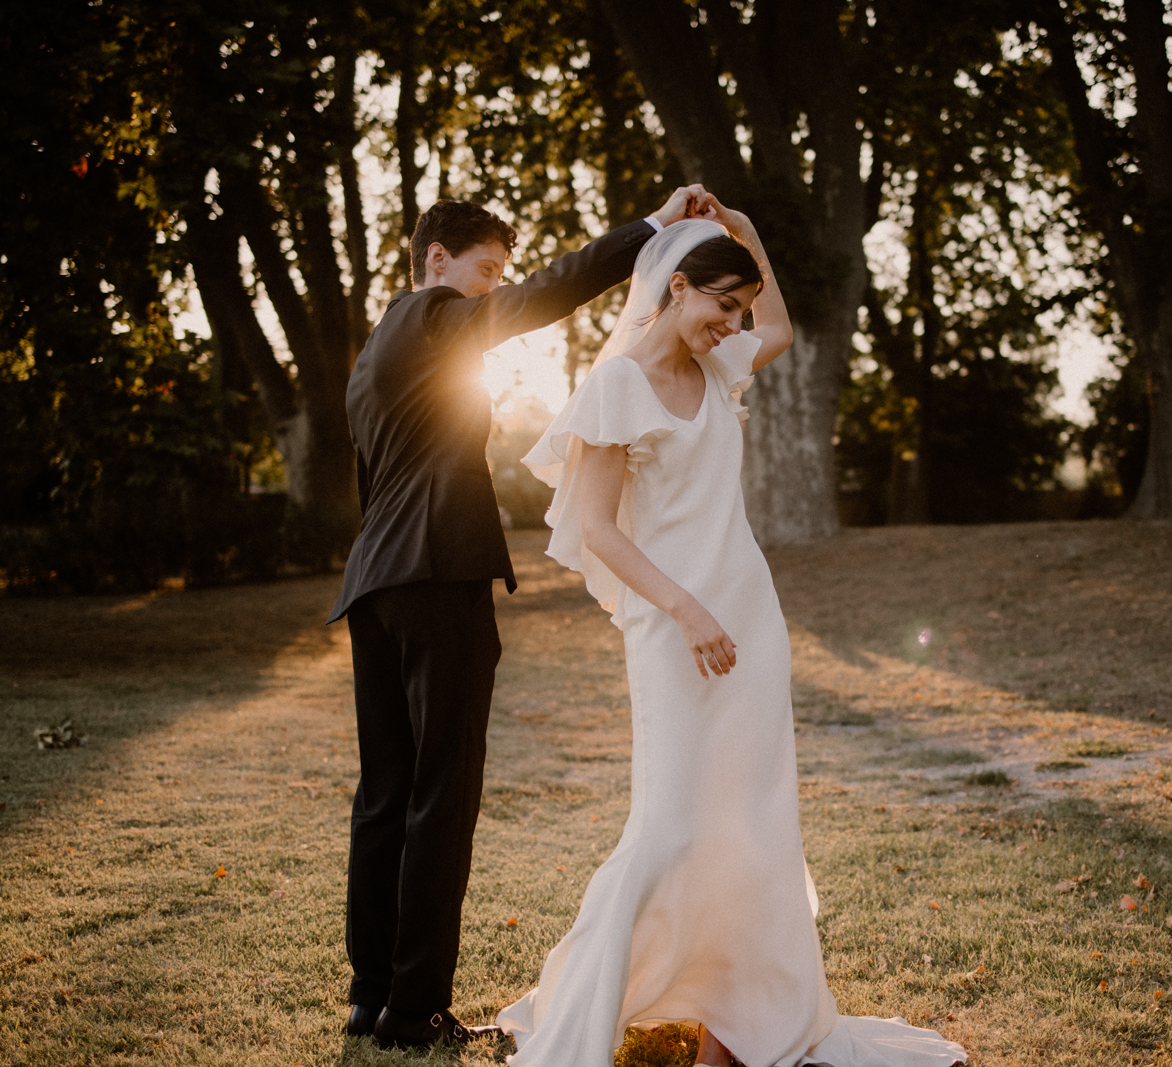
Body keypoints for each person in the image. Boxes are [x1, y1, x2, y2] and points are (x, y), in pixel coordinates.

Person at [495, 200, 966, 1067]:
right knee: (670, 826)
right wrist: (685, 607)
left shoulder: (718, 369)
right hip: (675, 626)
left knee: (754, 827)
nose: (733, 325)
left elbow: (782, 324)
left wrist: (751, 235)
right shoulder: (617, 386)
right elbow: (598, 529)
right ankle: (583, 1018)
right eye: (720, 305)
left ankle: (738, 1035)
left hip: (749, 619)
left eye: (738, 310)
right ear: (674, 288)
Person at [328, 184, 714, 1050]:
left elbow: (371, 484)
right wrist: (651, 228)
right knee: (442, 790)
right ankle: (415, 1006)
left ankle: (371, 995)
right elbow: (550, 293)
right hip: (438, 574)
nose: (496, 285)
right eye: (487, 270)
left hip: (375, 584)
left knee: (385, 791)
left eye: (499, 272)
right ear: (438, 261)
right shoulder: (434, 318)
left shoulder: (371, 355)